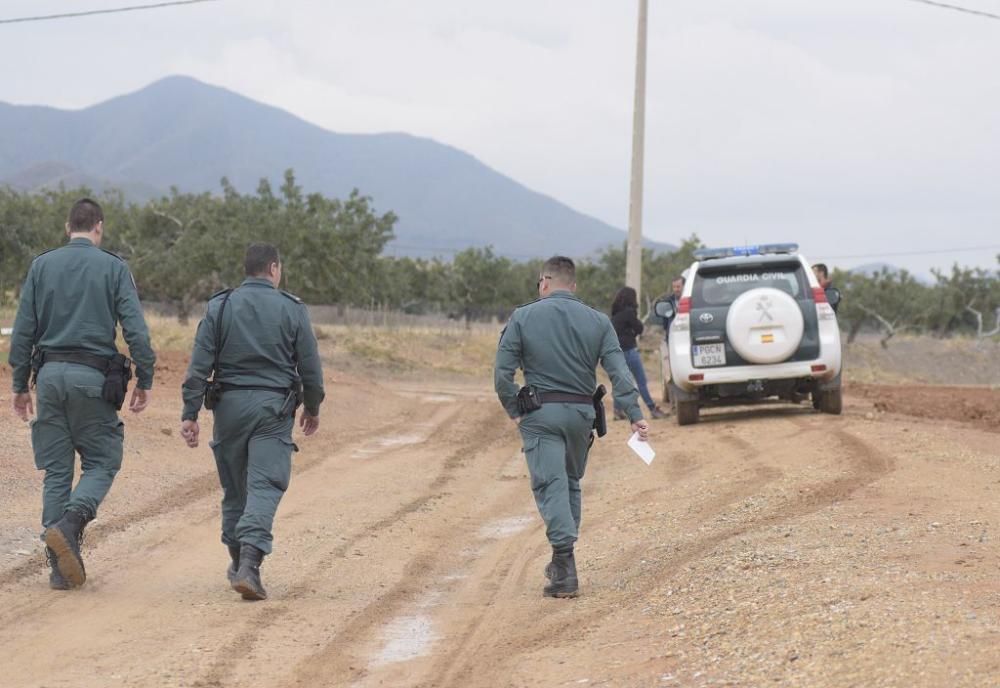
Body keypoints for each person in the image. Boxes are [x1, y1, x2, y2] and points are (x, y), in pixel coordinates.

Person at [8, 198, 156, 590]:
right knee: (104, 460)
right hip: (93, 378)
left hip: (50, 376)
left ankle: (59, 568)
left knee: (57, 471)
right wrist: (145, 376)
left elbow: (23, 332)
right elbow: (136, 330)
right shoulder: (113, 267)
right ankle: (71, 523)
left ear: (66, 225)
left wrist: (20, 385)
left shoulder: (42, 266)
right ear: (99, 227)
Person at [494, 256, 650, 599]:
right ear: (574, 286)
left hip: (541, 415)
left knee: (551, 485)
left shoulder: (523, 316)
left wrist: (513, 409)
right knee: (569, 483)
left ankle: (565, 568)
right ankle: (562, 559)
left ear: (544, 282)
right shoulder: (598, 321)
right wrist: (634, 411)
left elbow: (502, 374)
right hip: (582, 415)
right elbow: (619, 371)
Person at [180, 243, 324, 601]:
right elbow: (310, 367)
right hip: (272, 410)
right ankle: (249, 564)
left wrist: (190, 412)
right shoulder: (292, 309)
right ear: (273, 269)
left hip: (227, 407)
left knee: (235, 487)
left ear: (247, 270)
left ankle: (237, 560)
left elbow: (199, 365)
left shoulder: (221, 305)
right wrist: (312, 406)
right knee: (264, 484)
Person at [610, 287, 667, 420]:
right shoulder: (629, 312)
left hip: (617, 353)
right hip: (629, 351)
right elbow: (639, 328)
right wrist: (632, 332)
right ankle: (652, 409)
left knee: (620, 383)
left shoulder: (616, 315)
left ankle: (617, 411)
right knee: (641, 381)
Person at [656, 276, 685, 403]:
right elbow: (664, 321)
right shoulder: (668, 302)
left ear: (684, 286)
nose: (676, 289)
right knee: (671, 371)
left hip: (685, 339)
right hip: (671, 339)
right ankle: (674, 401)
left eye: (678, 286)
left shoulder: (689, 299)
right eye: (674, 287)